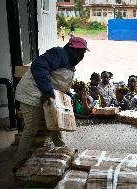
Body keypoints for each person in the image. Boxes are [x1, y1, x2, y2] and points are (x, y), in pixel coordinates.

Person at [12, 37, 89, 173]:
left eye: (83, 52)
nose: (81, 56)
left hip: (47, 96)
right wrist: (48, 90)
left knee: (56, 125)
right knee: (31, 129)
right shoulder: (58, 53)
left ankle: (63, 154)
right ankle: (20, 162)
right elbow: (38, 66)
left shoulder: (70, 62)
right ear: (71, 48)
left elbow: (58, 81)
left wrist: (67, 96)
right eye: (79, 52)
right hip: (31, 94)